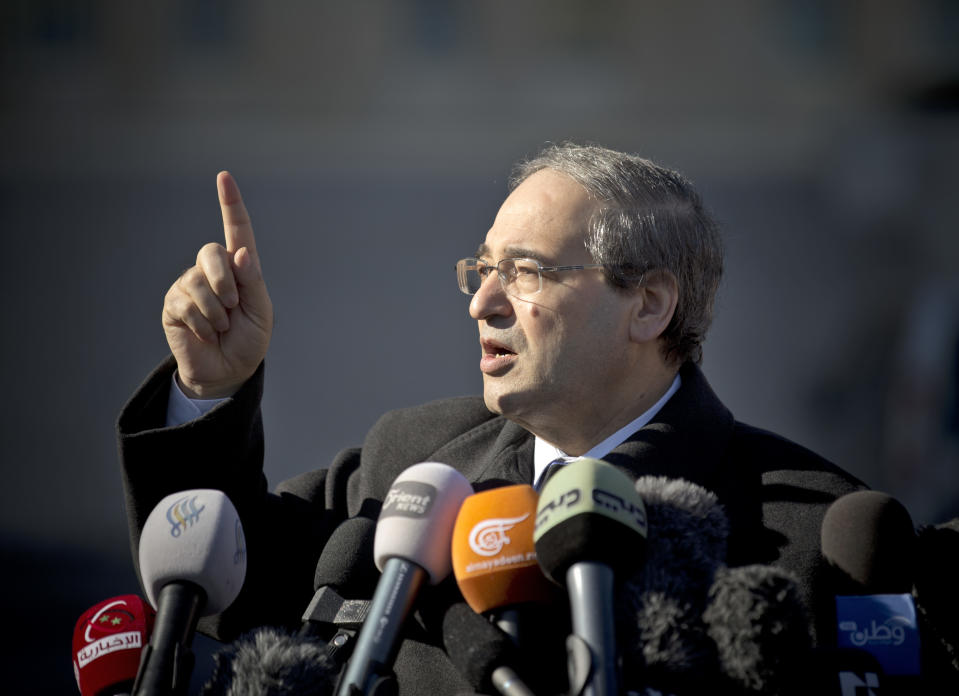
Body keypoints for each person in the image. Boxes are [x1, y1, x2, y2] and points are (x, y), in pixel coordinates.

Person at [118, 143, 865, 694]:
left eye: (527, 272)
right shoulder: (410, 462)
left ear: (649, 305)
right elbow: (209, 567)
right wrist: (210, 386)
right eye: (482, 271)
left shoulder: (807, 534)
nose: (482, 302)